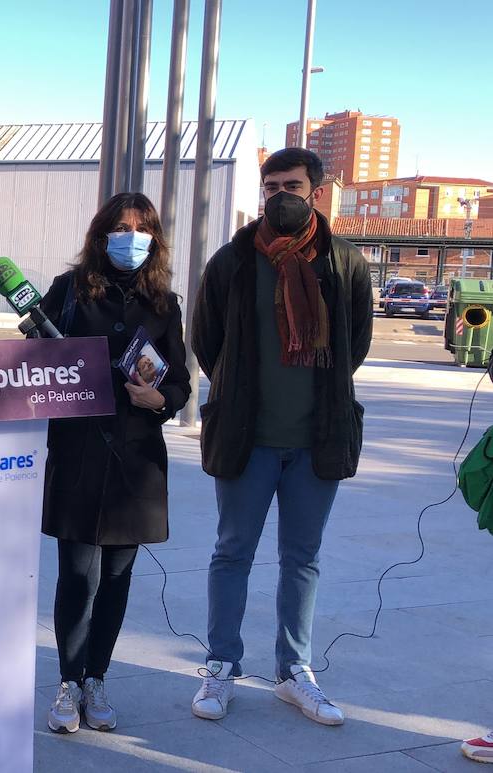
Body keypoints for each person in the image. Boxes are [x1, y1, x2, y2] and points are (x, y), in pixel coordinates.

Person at [188, 147, 372, 726]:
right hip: (249, 440)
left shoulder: (344, 262)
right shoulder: (233, 260)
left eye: (292, 185)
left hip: (317, 439)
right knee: (232, 553)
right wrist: (240, 388)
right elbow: (206, 338)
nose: (279, 195)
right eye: (270, 187)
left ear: (317, 192)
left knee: (303, 558)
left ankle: (294, 671)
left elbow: (355, 344)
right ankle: (221, 666)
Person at [35, 193, 190, 734]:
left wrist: (162, 400)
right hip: (78, 452)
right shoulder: (70, 291)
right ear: (101, 235)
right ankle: (67, 682)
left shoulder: (164, 304)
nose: (131, 237)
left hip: (137, 461)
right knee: (77, 577)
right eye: (121, 227)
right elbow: (37, 365)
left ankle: (97, 677)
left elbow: (181, 382)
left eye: (141, 227)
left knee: (118, 580)